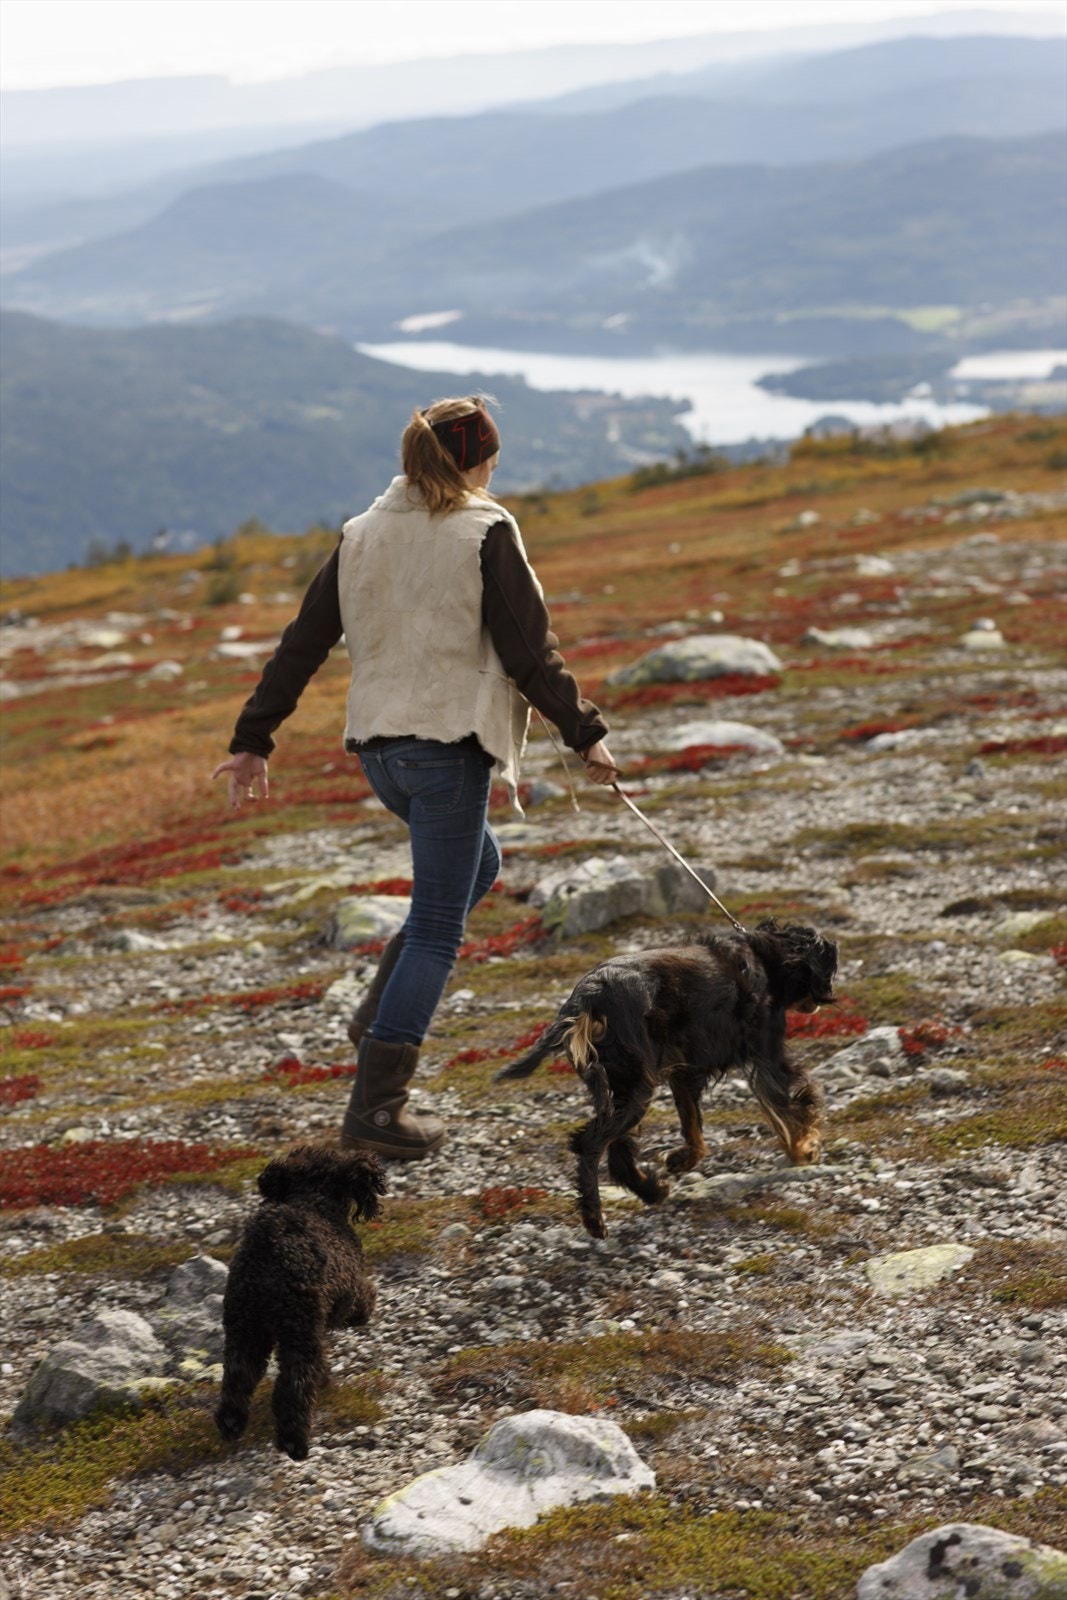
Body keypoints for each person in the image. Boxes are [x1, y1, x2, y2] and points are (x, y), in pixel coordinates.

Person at [213, 395, 619, 1161]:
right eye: (491, 457)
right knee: (437, 927)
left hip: (380, 756)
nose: (495, 469)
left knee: (482, 865)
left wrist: (252, 740)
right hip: (445, 750)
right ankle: (377, 1110)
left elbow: (301, 644)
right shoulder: (483, 529)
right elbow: (531, 652)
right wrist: (585, 735)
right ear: (474, 460)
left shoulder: (360, 534)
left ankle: (376, 1016)